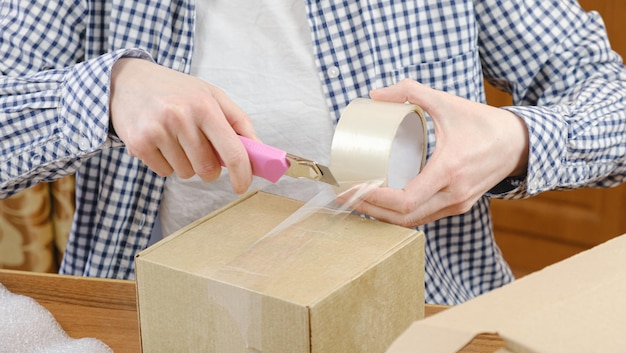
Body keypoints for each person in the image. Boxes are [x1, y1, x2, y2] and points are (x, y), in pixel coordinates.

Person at [1, 0, 624, 305]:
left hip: (420, 324)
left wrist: (516, 139)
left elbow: (610, 91)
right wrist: (107, 90)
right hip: (150, 329)